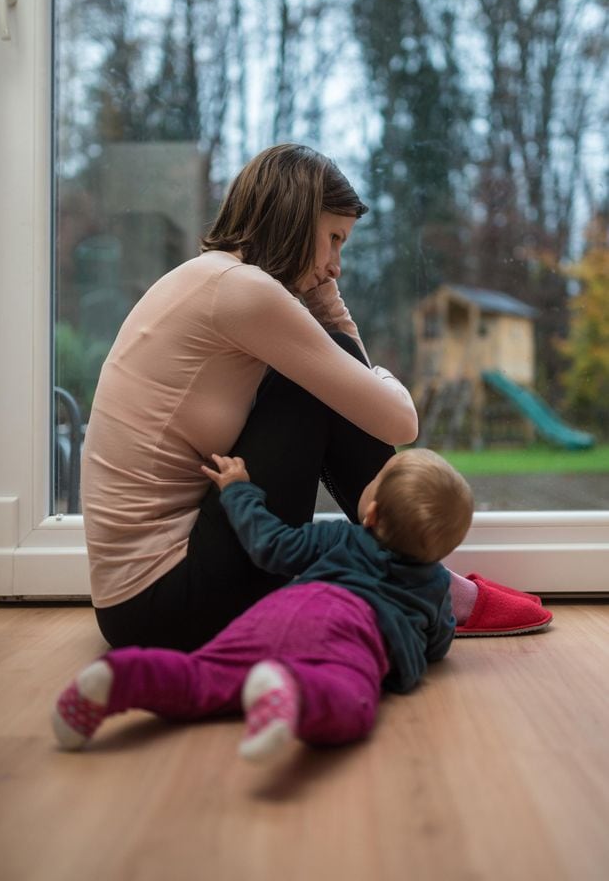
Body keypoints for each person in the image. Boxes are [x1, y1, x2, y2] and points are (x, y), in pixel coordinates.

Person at [80, 142, 551, 653]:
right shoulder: (244, 293)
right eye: (333, 239)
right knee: (321, 379)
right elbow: (397, 421)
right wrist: (358, 347)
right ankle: (425, 582)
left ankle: (418, 575)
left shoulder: (214, 279)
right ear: (294, 218)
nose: (336, 266)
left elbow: (358, 398)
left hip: (141, 601)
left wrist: (323, 297)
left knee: (329, 371)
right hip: (165, 603)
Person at [53, 448, 477, 759]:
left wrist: (239, 492)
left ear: (370, 514)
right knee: (351, 699)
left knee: (203, 675)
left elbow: (271, 545)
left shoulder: (340, 538)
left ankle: (118, 678)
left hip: (280, 611)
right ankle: (291, 690)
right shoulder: (436, 585)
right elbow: (437, 643)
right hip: (351, 632)